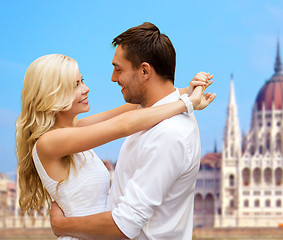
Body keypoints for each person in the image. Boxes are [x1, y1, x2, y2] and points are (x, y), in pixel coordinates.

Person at [16, 53, 214, 239]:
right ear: (53, 94)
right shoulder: (49, 142)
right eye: (75, 85)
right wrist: (186, 103)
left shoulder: (76, 129)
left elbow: (133, 107)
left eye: (82, 80)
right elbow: (124, 125)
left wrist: (187, 91)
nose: (86, 88)